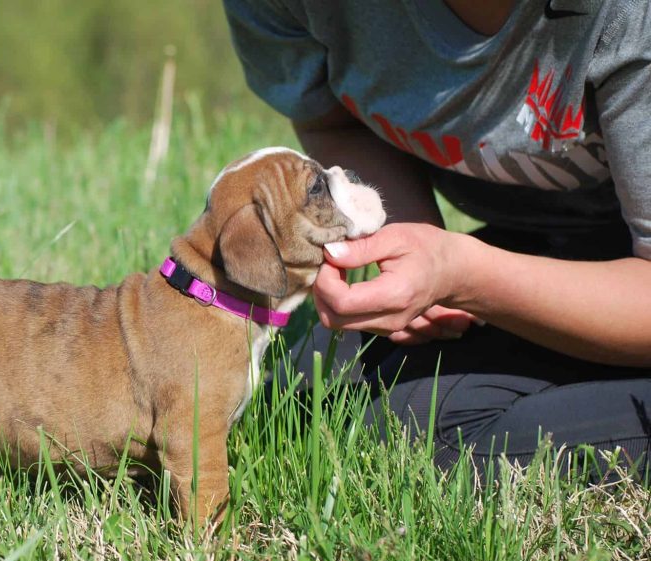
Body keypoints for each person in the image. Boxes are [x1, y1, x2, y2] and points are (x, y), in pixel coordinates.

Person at [223, 0, 650, 481]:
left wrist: (464, 276)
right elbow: (332, 121)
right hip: (550, 245)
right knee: (311, 396)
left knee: (434, 437)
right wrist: (411, 249)